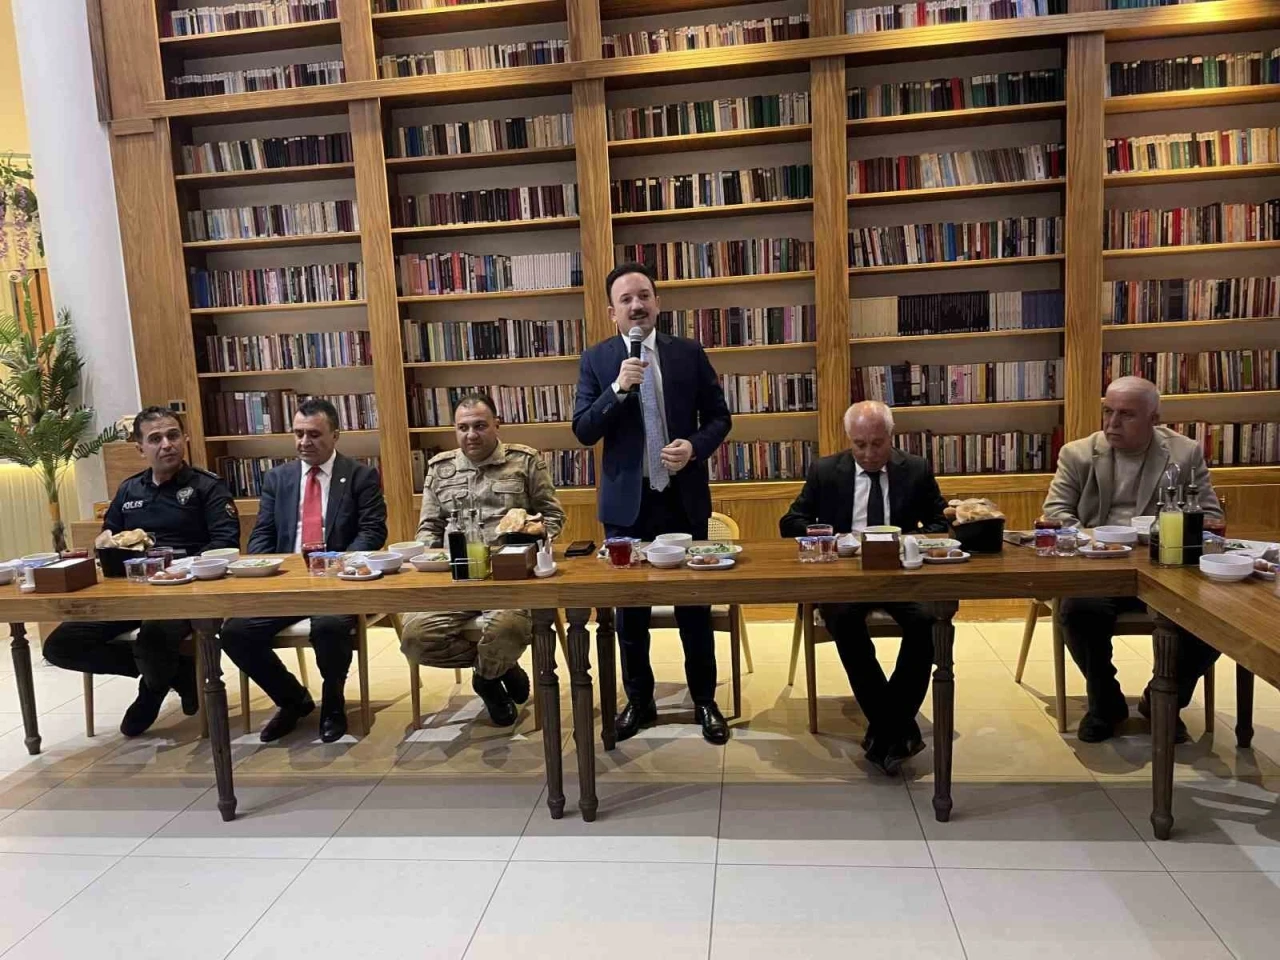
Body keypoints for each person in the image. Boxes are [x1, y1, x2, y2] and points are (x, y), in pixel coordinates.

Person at [572, 261, 733, 745]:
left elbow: (720, 418)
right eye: (626, 299)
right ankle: (639, 701)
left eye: (644, 295)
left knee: (693, 609)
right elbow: (584, 430)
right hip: (628, 506)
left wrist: (694, 447)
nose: (637, 305)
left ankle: (704, 700)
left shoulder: (688, 353)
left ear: (657, 302)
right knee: (631, 614)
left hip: (682, 499)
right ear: (612, 312)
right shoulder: (597, 360)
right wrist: (617, 389)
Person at [1044, 375, 1223, 743]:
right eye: (1107, 412)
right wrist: (1099, 541)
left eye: (1126, 415)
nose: (1112, 423)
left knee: (1214, 620)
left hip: (1165, 567)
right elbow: (1056, 513)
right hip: (1100, 565)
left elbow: (1209, 516)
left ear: (1154, 419)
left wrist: (1168, 531)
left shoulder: (1184, 453)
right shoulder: (1078, 453)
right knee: (1078, 611)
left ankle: (1164, 699)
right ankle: (1105, 703)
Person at [43, 406, 241, 736]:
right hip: (130, 593)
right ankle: (175, 671)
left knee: (154, 638)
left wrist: (180, 569)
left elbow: (225, 544)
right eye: (155, 439)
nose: (167, 444)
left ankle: (150, 692)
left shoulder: (207, 486)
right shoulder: (129, 490)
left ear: (185, 439)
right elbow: (107, 541)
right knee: (60, 645)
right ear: (140, 448)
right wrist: (105, 546)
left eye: (173, 435)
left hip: (184, 593)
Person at [779, 401, 951, 774]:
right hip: (846, 575)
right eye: (860, 445)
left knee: (928, 621)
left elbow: (940, 522)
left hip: (900, 573)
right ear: (849, 440)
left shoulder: (916, 469)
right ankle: (897, 730)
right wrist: (834, 536)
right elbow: (791, 522)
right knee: (843, 620)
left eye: (877, 443)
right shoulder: (826, 470)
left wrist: (906, 540)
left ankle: (886, 730)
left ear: (891, 436)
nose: (869, 454)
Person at [219, 398, 387, 743]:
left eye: (314, 434)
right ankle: (292, 699)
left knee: (329, 626)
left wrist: (339, 563)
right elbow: (262, 534)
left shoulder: (360, 476)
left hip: (337, 583)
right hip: (287, 582)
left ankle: (333, 700)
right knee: (235, 631)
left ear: (335, 435)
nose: (304, 442)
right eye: (298, 434)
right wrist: (270, 571)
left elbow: (372, 532)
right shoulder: (278, 478)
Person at [400, 393, 565, 725]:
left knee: (508, 628)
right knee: (415, 639)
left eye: (479, 426)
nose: (471, 435)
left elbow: (553, 517)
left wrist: (532, 530)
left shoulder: (524, 461)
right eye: (463, 428)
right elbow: (428, 529)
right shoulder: (440, 468)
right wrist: (426, 561)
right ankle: (501, 666)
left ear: (496, 425)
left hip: (510, 577)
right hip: (457, 576)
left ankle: (485, 680)